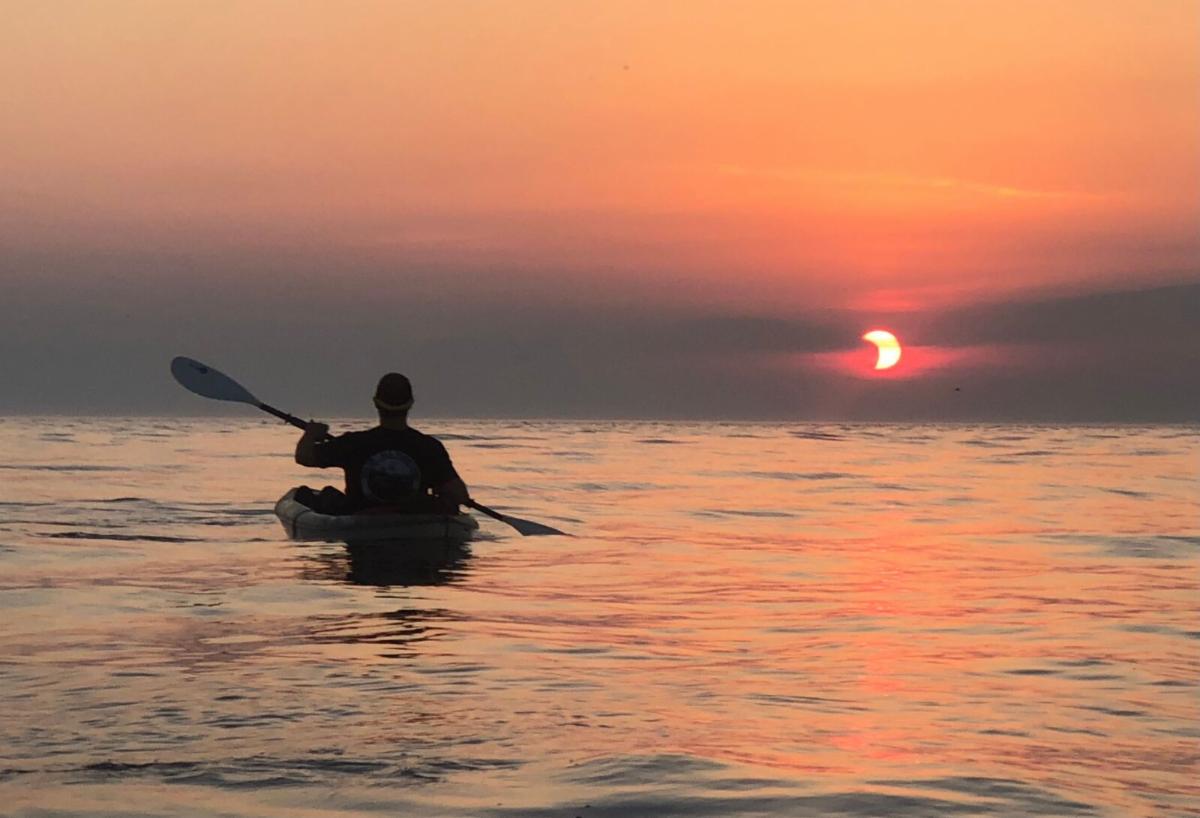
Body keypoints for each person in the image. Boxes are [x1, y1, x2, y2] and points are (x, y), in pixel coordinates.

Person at [293, 373, 470, 515]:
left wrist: (311, 434)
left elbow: (304, 456)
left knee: (306, 495)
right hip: (413, 525)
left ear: (376, 403)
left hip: (360, 524)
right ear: (410, 404)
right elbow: (459, 494)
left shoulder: (354, 443)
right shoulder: (430, 448)